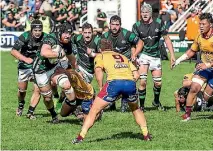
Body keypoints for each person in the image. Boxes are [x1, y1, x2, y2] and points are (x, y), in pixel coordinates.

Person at [72, 39, 151, 144]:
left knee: (94, 110)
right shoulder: (122, 57)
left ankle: (80, 138)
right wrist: (126, 87)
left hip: (114, 84)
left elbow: (98, 71)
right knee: (136, 109)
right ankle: (146, 135)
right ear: (112, 48)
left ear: (100, 49)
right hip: (130, 83)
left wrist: (101, 87)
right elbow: (136, 75)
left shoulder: (100, 56)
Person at [132, 3, 176, 111]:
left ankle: (156, 101)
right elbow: (134, 43)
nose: (144, 14)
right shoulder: (136, 25)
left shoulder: (159, 23)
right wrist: (134, 55)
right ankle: (141, 106)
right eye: (142, 12)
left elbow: (167, 39)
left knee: (158, 83)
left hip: (156, 56)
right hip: (143, 55)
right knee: (142, 81)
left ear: (151, 13)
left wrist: (172, 55)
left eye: (146, 12)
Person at [32, 22, 77, 123]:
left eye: (70, 33)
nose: (68, 36)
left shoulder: (67, 42)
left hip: (54, 67)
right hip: (41, 69)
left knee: (66, 85)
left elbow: (71, 58)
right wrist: (58, 53)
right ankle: (53, 115)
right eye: (65, 33)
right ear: (60, 32)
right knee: (47, 98)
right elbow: (44, 52)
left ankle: (75, 109)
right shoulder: (51, 38)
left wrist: (77, 71)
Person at [173, 13, 213, 121]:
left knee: (206, 96)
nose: (201, 26)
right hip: (204, 69)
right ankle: (187, 115)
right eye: (200, 24)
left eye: (203, 24)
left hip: (209, 67)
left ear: (211, 25)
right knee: (194, 88)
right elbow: (192, 51)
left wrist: (208, 64)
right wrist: (178, 60)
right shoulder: (199, 36)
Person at [101, 15, 144, 112]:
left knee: (126, 81)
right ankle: (111, 104)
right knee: (111, 81)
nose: (115, 27)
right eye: (113, 24)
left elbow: (140, 42)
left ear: (120, 25)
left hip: (125, 63)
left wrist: (135, 54)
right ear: (109, 25)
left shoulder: (127, 34)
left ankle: (124, 103)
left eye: (117, 24)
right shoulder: (104, 36)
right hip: (112, 64)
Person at [11, 20, 47, 119]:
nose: (37, 32)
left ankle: (30, 112)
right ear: (31, 30)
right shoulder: (25, 36)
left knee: (38, 89)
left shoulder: (46, 37)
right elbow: (13, 51)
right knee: (22, 91)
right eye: (35, 30)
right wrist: (25, 59)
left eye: (39, 30)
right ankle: (21, 104)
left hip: (38, 66)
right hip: (24, 66)